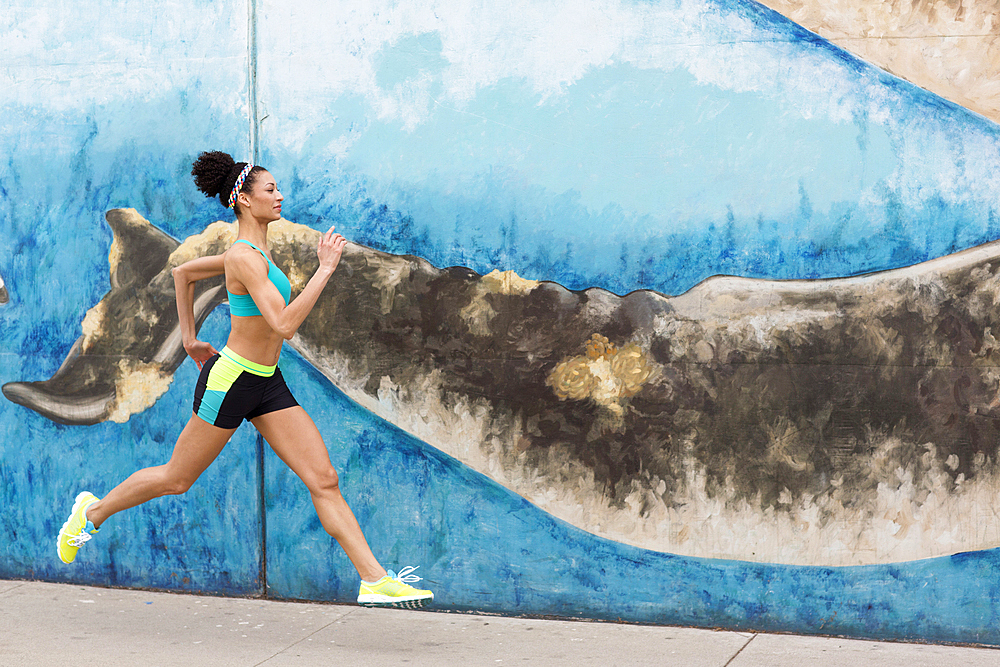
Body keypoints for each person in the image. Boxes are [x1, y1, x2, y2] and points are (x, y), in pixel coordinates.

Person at [56, 151, 433, 609]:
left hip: (266, 381)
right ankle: (90, 514)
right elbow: (284, 325)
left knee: (324, 477)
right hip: (231, 382)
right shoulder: (243, 256)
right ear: (244, 200)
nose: (279, 196)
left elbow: (183, 272)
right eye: (270, 190)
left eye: (277, 189)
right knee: (177, 478)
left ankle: (373, 579)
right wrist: (326, 270)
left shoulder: (253, 254)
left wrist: (191, 339)